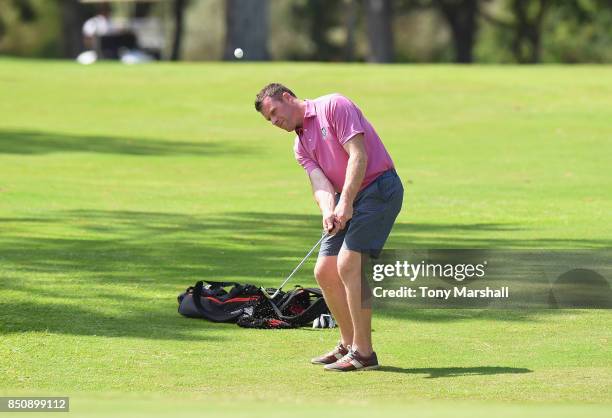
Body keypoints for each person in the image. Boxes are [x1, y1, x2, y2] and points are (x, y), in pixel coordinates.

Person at [254, 83, 403, 371]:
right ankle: (348, 345)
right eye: (268, 120)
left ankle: (364, 353)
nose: (274, 122)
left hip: (378, 189)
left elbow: (358, 155)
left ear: (287, 97)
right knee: (324, 270)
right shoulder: (299, 146)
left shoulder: (334, 106)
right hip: (345, 199)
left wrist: (345, 202)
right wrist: (327, 210)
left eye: (274, 112)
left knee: (348, 264)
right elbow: (320, 183)